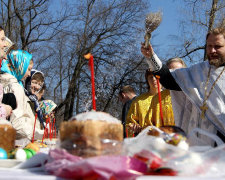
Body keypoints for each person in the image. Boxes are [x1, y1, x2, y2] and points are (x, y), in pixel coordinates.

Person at [141, 27, 225, 146]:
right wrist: (151, 57)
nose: (212, 51)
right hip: (197, 145)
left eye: (217, 46)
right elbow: (169, 80)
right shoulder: (198, 71)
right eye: (209, 46)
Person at [0, 50, 44, 141]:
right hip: (17, 141)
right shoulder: (15, 87)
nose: (29, 74)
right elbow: (17, 124)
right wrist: (40, 134)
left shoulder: (16, 84)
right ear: (19, 65)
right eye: (28, 69)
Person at [149, 57, 187, 127]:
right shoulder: (157, 99)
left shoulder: (192, 94)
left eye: (178, 71)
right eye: (171, 71)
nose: (175, 74)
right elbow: (150, 123)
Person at [126, 69, 161, 136]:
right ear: (147, 80)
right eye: (150, 77)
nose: (153, 79)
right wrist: (133, 127)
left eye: (156, 76)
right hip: (145, 141)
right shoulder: (138, 101)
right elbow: (129, 123)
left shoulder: (170, 99)